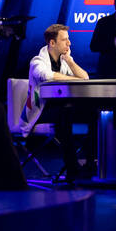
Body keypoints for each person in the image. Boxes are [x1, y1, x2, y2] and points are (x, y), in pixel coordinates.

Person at [26, 24, 91, 181]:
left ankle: (90, 163)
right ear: (52, 43)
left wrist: (69, 60)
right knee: (65, 113)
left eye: (68, 39)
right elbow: (47, 76)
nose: (69, 43)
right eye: (64, 40)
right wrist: (74, 79)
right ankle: (72, 168)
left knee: (93, 113)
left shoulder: (64, 60)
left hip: (62, 110)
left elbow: (85, 77)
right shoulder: (37, 61)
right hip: (40, 112)